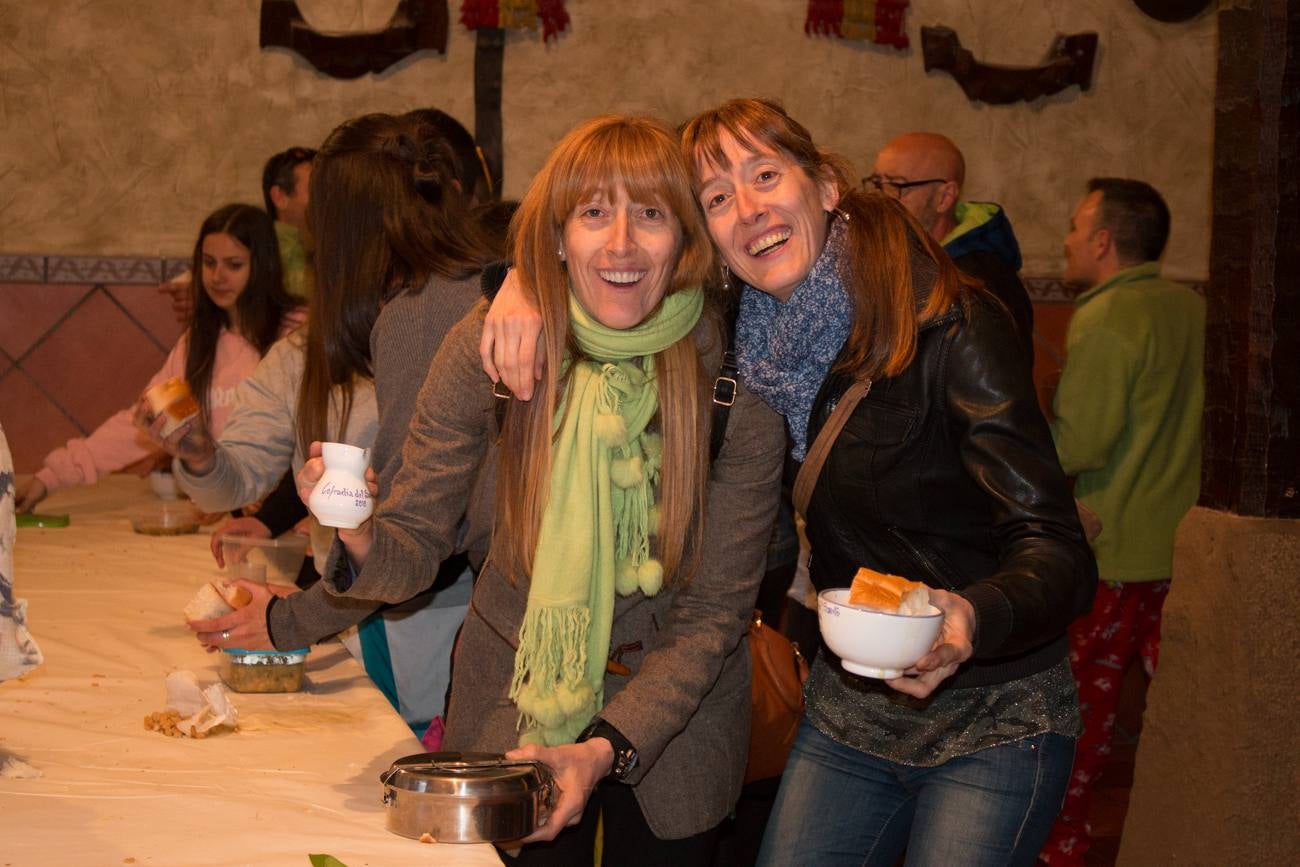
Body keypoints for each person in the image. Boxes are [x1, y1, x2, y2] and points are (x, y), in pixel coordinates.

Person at [480, 98, 1098, 867]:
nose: (748, 210)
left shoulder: (948, 325)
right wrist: (519, 284)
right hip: (851, 708)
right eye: (715, 198)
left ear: (828, 186)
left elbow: (1059, 549)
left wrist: (972, 612)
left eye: (765, 174)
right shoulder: (744, 335)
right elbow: (612, 267)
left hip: (996, 716)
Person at [298, 114, 785, 865]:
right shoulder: (491, 346)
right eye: (593, 213)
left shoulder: (735, 390)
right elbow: (414, 546)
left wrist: (601, 748)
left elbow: (713, 617)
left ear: (685, 239)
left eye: (650, 214)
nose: (621, 242)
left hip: (677, 732)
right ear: (557, 237)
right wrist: (358, 532)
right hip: (511, 710)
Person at [142, 112, 497, 734]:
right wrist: (199, 452)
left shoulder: (419, 316)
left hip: (441, 611)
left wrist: (290, 620)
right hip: (389, 600)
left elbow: (413, 533)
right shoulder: (462, 292)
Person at [1038, 179, 1204, 866]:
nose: (1068, 241)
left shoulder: (1104, 316)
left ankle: (1061, 846)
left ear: (1104, 241)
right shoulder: (1190, 307)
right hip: (1186, 546)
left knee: (1078, 724)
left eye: (1077, 227)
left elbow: (1081, 444)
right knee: (1189, 715)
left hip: (1111, 551)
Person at [16, 204, 301, 514]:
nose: (217, 277)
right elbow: (143, 421)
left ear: (263, 267)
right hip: (229, 516)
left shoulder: (296, 334)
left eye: (233, 265)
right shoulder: (196, 344)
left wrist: (280, 505)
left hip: (292, 521)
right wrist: (50, 478)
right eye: (208, 263)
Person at [869, 132, 1035, 364]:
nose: (881, 199)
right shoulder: (905, 262)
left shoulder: (980, 284)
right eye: (877, 183)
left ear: (945, 198)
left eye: (897, 186)